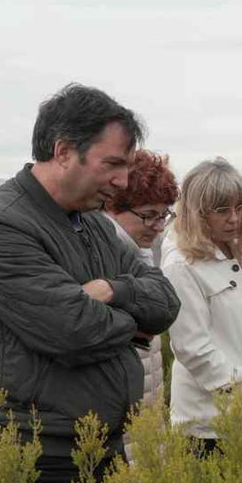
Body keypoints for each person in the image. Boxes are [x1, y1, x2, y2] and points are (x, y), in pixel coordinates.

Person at [0, 84, 180, 483]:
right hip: (41, 454)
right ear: (63, 152)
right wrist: (130, 323)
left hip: (104, 443)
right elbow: (73, 330)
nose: (123, 181)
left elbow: (165, 303)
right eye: (113, 164)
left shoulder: (92, 224)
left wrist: (109, 290)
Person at [160, 158, 242, 453]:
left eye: (240, 208)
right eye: (222, 210)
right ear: (197, 213)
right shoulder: (182, 265)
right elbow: (193, 348)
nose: (234, 218)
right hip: (213, 426)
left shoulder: (238, 253)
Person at [101, 150, 178, 458]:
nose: (158, 226)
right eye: (148, 214)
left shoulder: (138, 252)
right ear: (113, 207)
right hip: (117, 417)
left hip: (144, 408)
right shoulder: (104, 256)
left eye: (164, 215)